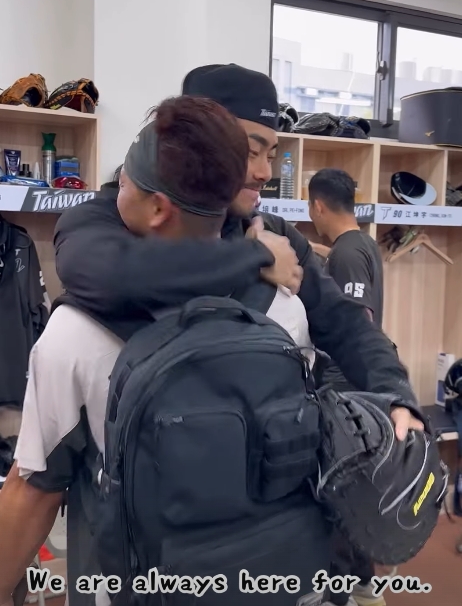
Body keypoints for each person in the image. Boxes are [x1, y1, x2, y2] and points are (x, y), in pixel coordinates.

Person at [0, 96, 316, 606]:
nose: (113, 190)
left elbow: (34, 491)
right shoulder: (285, 310)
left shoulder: (75, 335)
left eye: (124, 182)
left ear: (158, 208)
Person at [52, 64, 420, 434]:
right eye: (249, 151)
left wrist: (394, 392)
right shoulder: (110, 215)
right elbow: (115, 272)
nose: (264, 173)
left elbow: (342, 320)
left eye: (270, 155)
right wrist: (255, 258)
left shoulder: (271, 232)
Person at [308, 167, 386, 606]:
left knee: (338, 495)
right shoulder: (360, 244)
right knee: (352, 493)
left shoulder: (348, 255)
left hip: (345, 393)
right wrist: (317, 253)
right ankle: (362, 585)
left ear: (318, 206)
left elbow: (359, 324)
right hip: (356, 391)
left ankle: (342, 593)